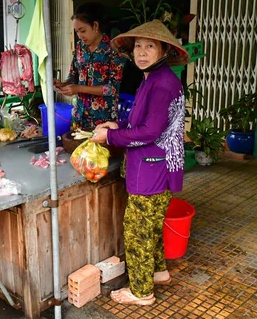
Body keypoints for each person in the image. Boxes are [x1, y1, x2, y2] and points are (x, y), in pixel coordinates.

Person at [91, 20, 188, 306]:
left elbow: (150, 132)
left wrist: (110, 136)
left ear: (164, 51)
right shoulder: (155, 78)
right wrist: (117, 124)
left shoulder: (162, 84)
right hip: (155, 166)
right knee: (151, 225)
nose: (142, 52)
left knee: (138, 232)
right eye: (138, 46)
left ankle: (141, 291)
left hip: (154, 168)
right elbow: (141, 121)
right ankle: (157, 271)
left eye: (150, 46)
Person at [53, 2, 126, 130]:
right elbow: (73, 75)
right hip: (79, 116)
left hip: (103, 119)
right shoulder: (80, 47)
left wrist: (79, 88)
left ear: (95, 25)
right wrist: (64, 84)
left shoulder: (113, 49)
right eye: (77, 32)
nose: (80, 36)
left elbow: (112, 89)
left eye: (83, 31)